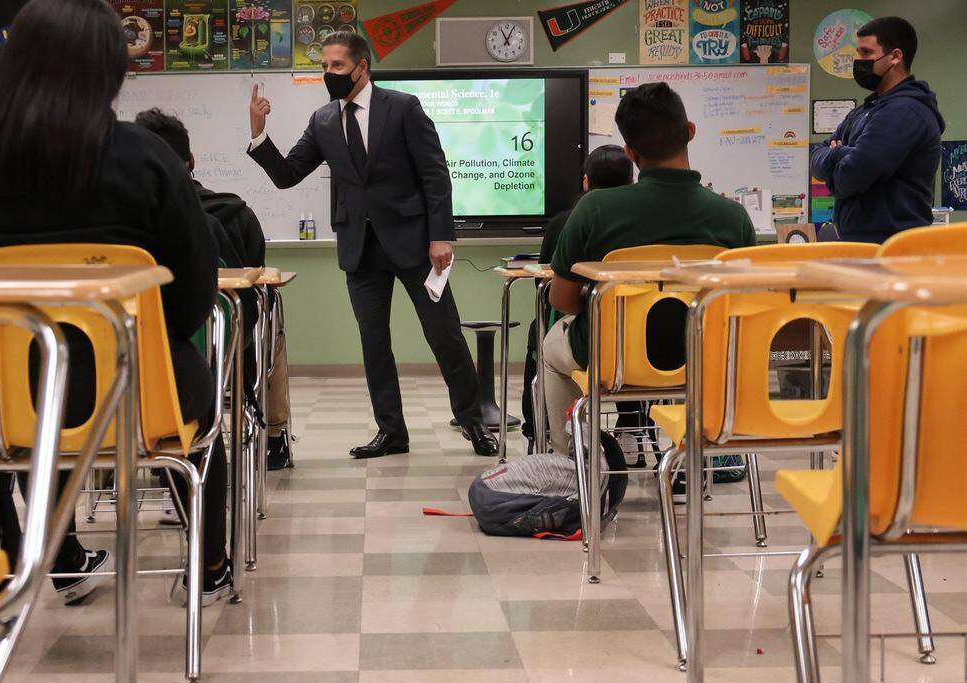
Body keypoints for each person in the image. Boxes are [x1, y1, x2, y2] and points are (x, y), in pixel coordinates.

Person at [0, 0, 233, 606]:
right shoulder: (146, 158)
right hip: (144, 398)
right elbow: (197, 292)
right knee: (196, 415)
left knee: (50, 377)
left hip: (6, 404)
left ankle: (64, 558)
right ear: (108, 71)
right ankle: (208, 565)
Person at [246, 31, 498, 459]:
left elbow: (435, 175)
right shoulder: (323, 120)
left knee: (445, 336)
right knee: (374, 343)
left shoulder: (402, 108)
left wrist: (441, 235)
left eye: (337, 67)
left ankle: (474, 423)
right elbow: (288, 174)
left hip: (416, 244)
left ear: (362, 67)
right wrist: (259, 135)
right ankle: (391, 431)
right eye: (324, 67)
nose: (329, 74)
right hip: (359, 247)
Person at [543, 82, 756, 455]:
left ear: (630, 151)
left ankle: (571, 461)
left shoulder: (594, 209)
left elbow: (562, 298)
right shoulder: (733, 218)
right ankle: (692, 457)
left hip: (613, 358)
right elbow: (743, 304)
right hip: (702, 357)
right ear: (690, 132)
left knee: (550, 349)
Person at [135, 107, 293, 471]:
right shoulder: (234, 214)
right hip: (227, 352)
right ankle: (274, 436)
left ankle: (108, 467)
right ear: (190, 160)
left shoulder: (122, 225)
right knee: (270, 313)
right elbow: (254, 288)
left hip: (130, 361)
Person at [522, 145, 632, 452]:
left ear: (586, 181)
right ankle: (633, 432)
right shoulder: (652, 223)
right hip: (649, 346)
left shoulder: (566, 222)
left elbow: (545, 286)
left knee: (543, 338)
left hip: (589, 339)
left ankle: (551, 439)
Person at [810, 16, 945, 244]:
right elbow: (815, 158)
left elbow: (850, 177)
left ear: (895, 56)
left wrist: (836, 154)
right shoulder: (866, 110)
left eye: (866, 53)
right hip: (861, 245)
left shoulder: (905, 111)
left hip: (893, 248)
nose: (858, 60)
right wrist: (840, 154)